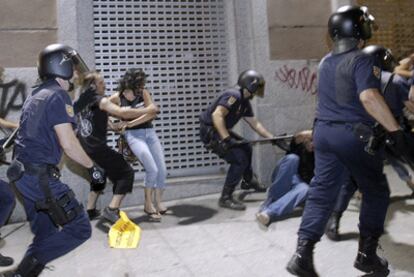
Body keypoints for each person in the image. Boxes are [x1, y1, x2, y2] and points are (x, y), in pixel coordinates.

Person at [286, 6, 411, 277]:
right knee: (376, 190)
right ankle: (367, 255)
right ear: (358, 28)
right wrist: (395, 132)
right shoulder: (364, 58)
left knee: (321, 191)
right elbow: (368, 97)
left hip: (325, 133)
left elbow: (327, 99)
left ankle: (302, 254)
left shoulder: (325, 60)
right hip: (353, 135)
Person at [5, 44, 105, 276]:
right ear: (61, 66)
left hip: (22, 176)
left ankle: (23, 274)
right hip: (39, 177)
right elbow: (69, 144)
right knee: (80, 229)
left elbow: (44, 123)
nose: (76, 72)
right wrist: (93, 169)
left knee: (46, 234)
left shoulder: (38, 93)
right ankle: (22, 273)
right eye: (73, 66)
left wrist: (78, 104)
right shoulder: (59, 95)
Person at [325, 45, 414, 241]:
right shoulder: (395, 81)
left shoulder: (353, 80)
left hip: (355, 138)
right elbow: (411, 106)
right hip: (387, 135)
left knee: (350, 181)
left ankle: (334, 221)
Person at [74, 71, 150, 223]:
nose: (105, 85)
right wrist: (148, 110)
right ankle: (112, 209)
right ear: (94, 86)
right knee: (126, 173)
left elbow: (91, 124)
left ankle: (89, 211)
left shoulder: (82, 101)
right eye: (102, 82)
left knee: (99, 175)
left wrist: (114, 127)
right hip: (96, 148)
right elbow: (122, 112)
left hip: (84, 148)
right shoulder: (100, 100)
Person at [199, 70, 275, 210]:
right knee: (239, 159)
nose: (259, 90)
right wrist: (227, 139)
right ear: (250, 85)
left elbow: (255, 123)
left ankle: (248, 181)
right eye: (258, 86)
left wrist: (272, 138)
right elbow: (217, 115)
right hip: (210, 131)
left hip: (219, 130)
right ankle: (225, 197)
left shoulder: (245, 102)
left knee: (246, 146)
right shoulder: (233, 95)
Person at [109, 68, 166, 221]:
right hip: (134, 136)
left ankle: (158, 202)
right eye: (140, 81)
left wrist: (129, 122)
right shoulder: (118, 97)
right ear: (132, 81)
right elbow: (102, 108)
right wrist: (113, 125)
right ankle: (148, 204)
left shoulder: (143, 93)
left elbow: (152, 113)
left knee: (162, 170)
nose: (143, 84)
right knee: (152, 169)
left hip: (149, 133)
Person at [256, 130, 314, 227]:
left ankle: (268, 212)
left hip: (299, 186)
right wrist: (304, 134)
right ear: (306, 140)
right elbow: (297, 138)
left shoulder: (323, 156)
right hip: (285, 177)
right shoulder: (299, 146)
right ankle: (272, 199)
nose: (313, 144)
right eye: (311, 140)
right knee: (292, 158)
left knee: (306, 189)